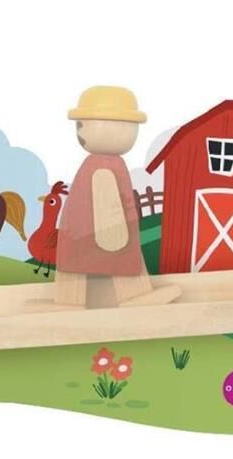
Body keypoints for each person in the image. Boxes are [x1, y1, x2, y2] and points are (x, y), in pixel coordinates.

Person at [55, 86, 180, 308]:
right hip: (106, 236)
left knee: (74, 265)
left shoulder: (98, 164)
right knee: (126, 262)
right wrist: (117, 238)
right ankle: (135, 296)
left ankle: (67, 300)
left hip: (77, 235)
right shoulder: (105, 167)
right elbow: (108, 206)